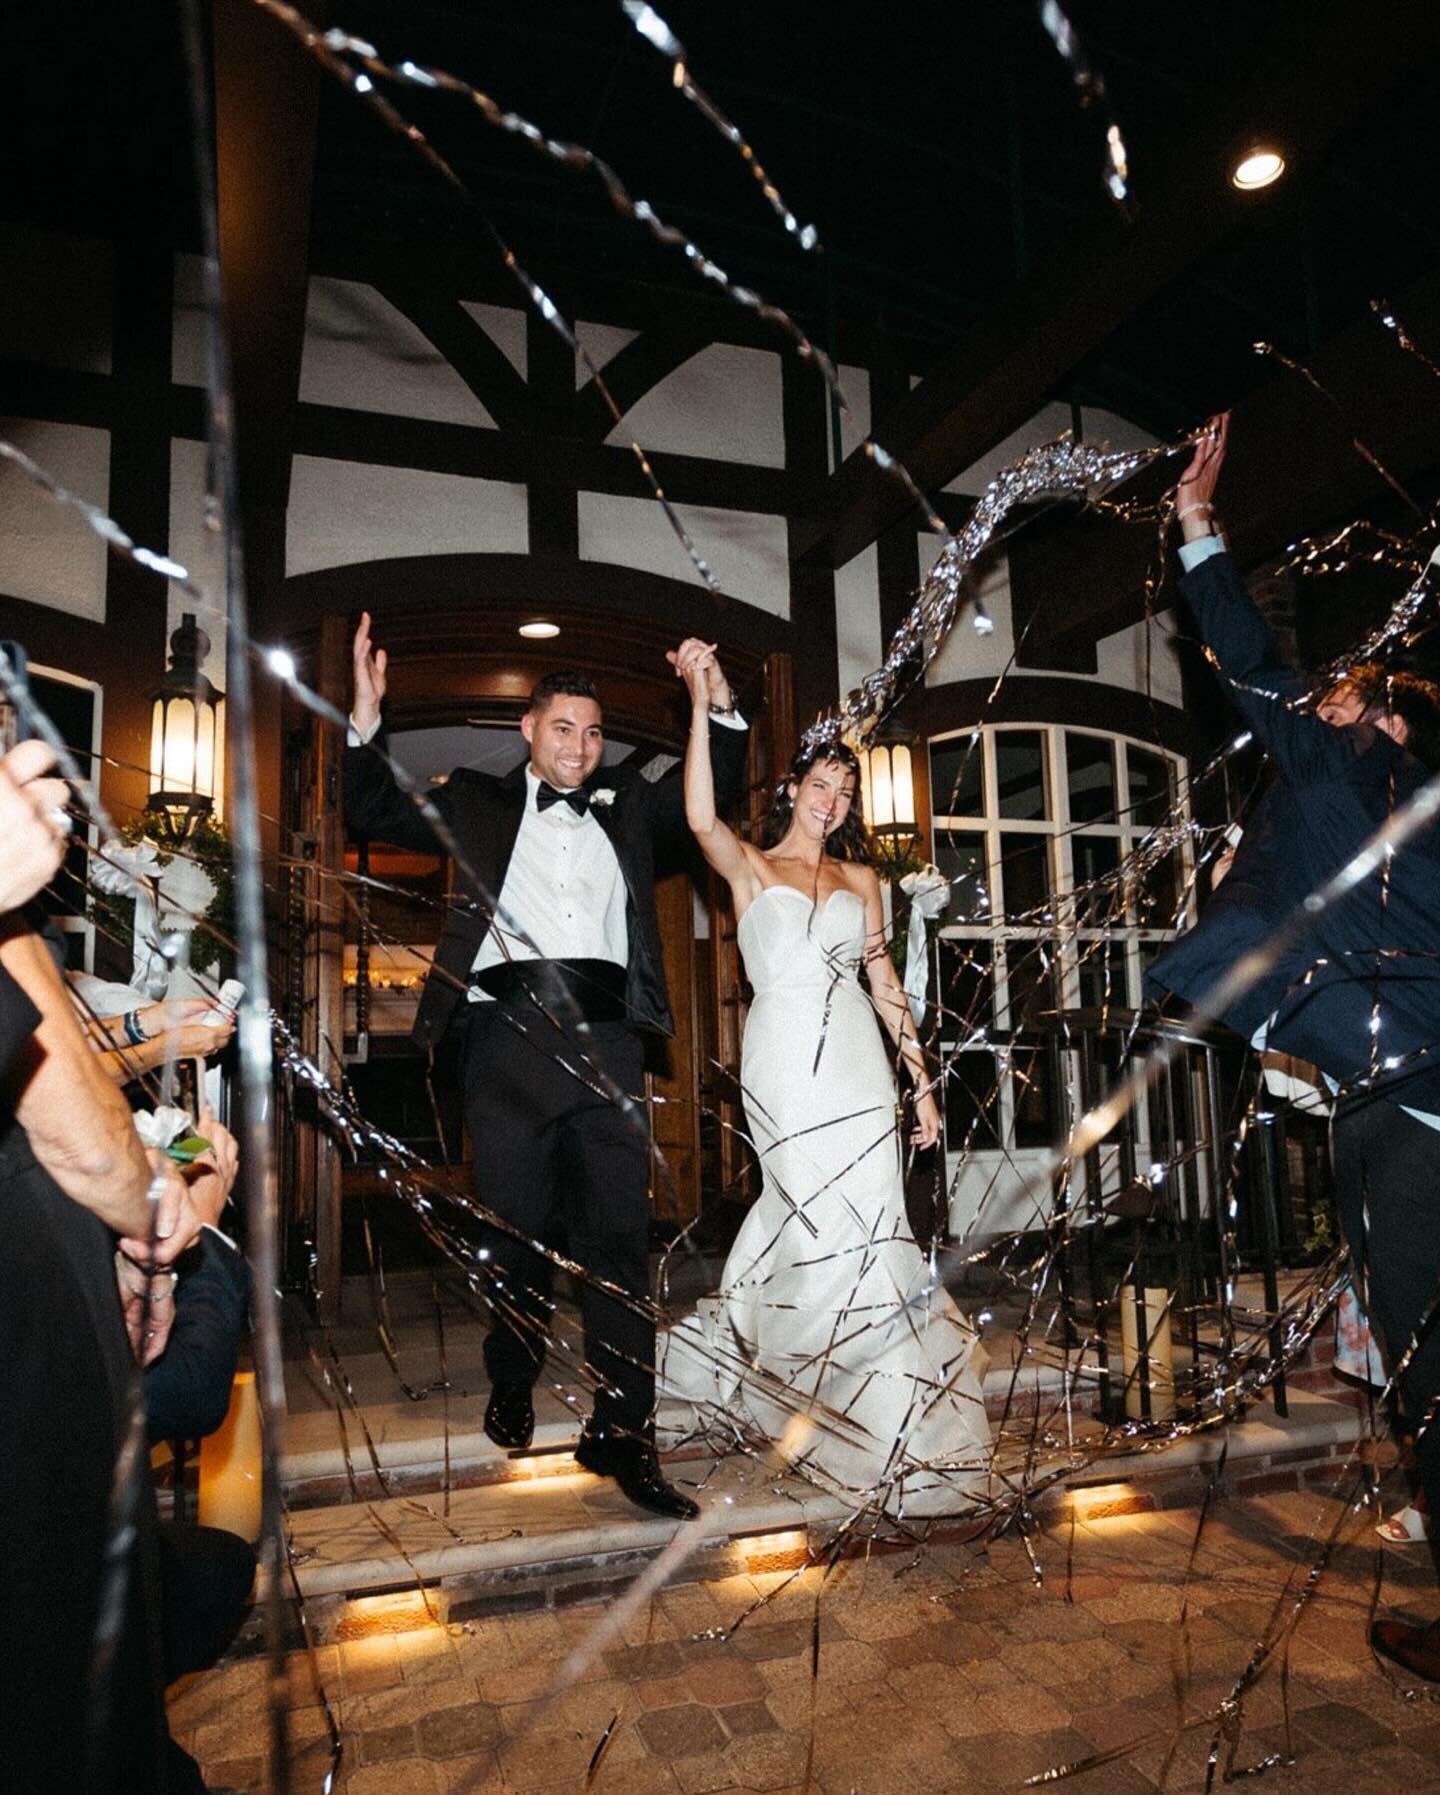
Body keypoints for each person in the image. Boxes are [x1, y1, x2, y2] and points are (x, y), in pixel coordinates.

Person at [1145, 413, 1440, 1676]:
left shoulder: (1336, 766)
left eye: (1344, 692)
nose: (1321, 699)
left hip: (1404, 1104)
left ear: (1382, 719)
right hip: (1406, 1076)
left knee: (1427, 1357)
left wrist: (1199, 528)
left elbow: (1246, 659)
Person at [342, 614, 750, 1518]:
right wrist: (366, 718)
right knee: (518, 1235)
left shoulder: (634, 807)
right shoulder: (477, 800)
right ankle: (514, 1369)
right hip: (505, 1043)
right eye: (563, 727)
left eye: (594, 731)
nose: (580, 744)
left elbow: (715, 792)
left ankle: (625, 1433)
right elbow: (369, 808)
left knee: (617, 1247)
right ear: (529, 730)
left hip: (608, 1046)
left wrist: (713, 702)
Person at [657, 656, 991, 1515]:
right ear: (794, 787)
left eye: (845, 785)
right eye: (821, 780)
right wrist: (699, 701)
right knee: (806, 1206)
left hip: (856, 1058)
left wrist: (921, 1085)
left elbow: (886, 987)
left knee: (875, 1217)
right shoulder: (749, 867)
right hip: (782, 1062)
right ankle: (790, 1370)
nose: (833, 796)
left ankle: (880, 1405)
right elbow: (697, 813)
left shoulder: (863, 882)